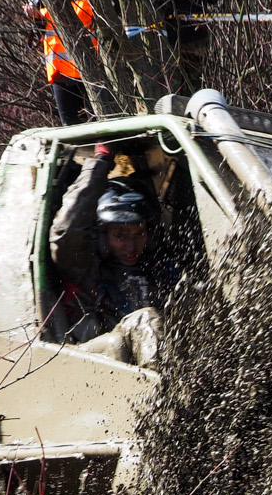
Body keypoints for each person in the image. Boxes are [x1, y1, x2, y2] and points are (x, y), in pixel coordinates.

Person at [49, 141, 180, 362]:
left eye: (139, 233)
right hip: (97, 359)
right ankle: (169, 385)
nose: (131, 246)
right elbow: (66, 230)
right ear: (101, 236)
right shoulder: (85, 269)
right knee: (145, 320)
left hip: (150, 358)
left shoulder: (157, 268)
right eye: (120, 235)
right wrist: (100, 161)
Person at [24, 0, 98, 126]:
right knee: (71, 128)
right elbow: (42, 36)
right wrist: (35, 18)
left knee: (100, 125)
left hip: (90, 71)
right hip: (60, 73)